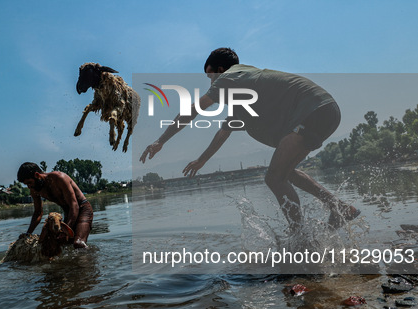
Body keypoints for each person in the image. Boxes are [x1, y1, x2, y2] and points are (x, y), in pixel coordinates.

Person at [140, 47, 359, 231]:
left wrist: (161, 140)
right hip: (325, 111)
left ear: (219, 70)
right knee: (287, 173)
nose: (210, 83)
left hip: (312, 112)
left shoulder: (228, 78)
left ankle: (299, 239)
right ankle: (340, 208)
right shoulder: (245, 88)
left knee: (274, 179)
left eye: (209, 76)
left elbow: (194, 110)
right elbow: (223, 132)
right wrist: (202, 160)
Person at [17, 162, 93, 248]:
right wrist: (28, 234)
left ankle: (91, 258)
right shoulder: (35, 190)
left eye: (29, 182)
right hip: (69, 212)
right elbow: (38, 213)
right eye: (26, 184)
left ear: (37, 175)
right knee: (65, 245)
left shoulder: (59, 178)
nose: (29, 187)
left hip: (83, 209)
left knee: (78, 243)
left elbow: (74, 205)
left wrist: (66, 230)